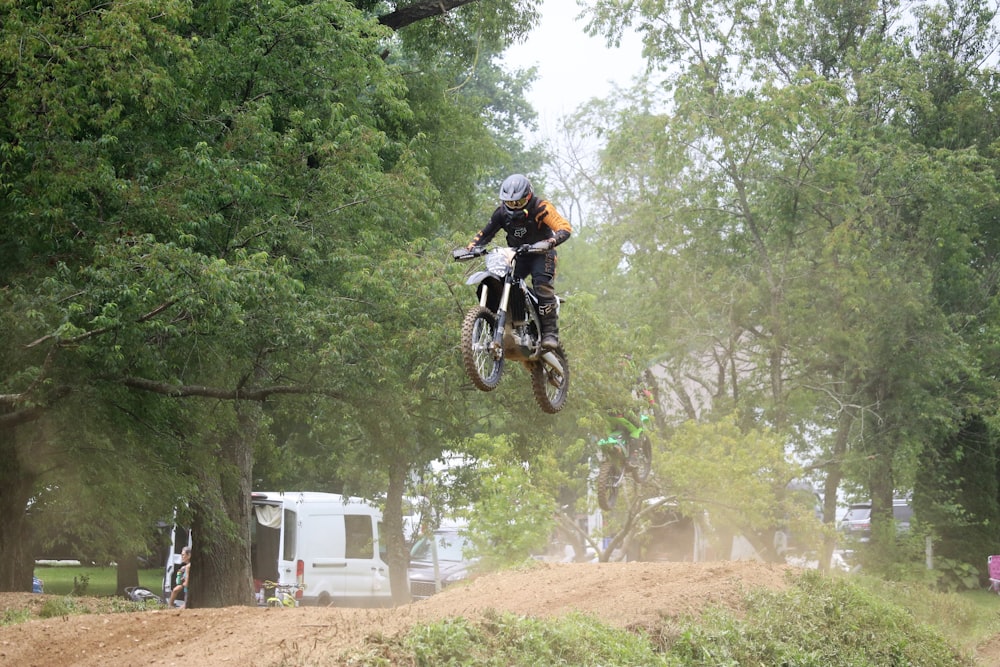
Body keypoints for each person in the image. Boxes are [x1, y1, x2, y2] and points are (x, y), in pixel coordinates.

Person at [466, 174, 572, 349]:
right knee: (499, 281)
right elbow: (485, 234)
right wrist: (471, 248)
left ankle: (550, 333)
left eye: (519, 202)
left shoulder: (541, 207)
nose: (514, 206)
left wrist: (550, 242)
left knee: (542, 286)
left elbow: (564, 227)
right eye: (510, 202)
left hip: (542, 253)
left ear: (528, 196)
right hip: (517, 255)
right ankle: (502, 324)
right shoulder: (501, 213)